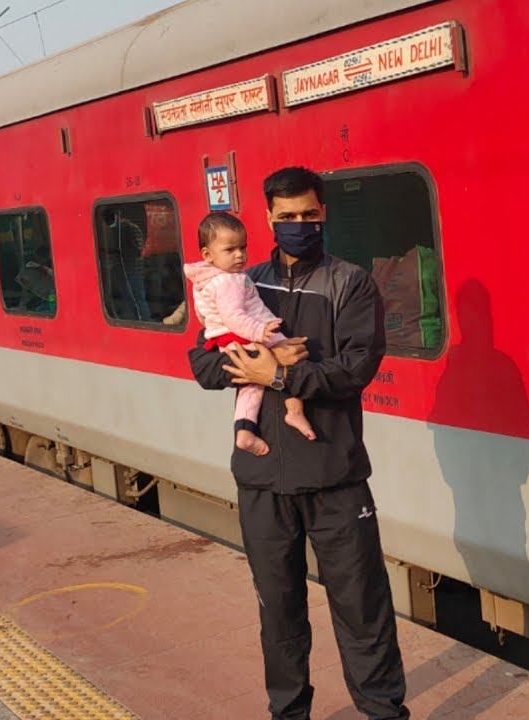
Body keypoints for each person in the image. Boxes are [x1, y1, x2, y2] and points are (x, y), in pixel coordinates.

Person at [188, 166, 409, 720]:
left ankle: (384, 713)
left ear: (323, 213)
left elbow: (357, 367)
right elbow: (203, 364)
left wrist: (279, 378)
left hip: (336, 475)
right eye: (286, 217)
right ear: (268, 218)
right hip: (262, 480)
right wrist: (257, 367)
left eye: (308, 215)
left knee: (363, 610)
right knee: (279, 614)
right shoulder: (239, 280)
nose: (298, 225)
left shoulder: (349, 282)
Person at [184, 212, 316, 456]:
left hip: (225, 339)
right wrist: (260, 332)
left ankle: (244, 430)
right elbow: (234, 315)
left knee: (252, 385)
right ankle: (295, 411)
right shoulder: (229, 281)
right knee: (295, 355)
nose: (239, 255)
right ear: (207, 255)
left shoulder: (206, 280)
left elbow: (203, 315)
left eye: (243, 247)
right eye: (230, 249)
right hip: (247, 335)